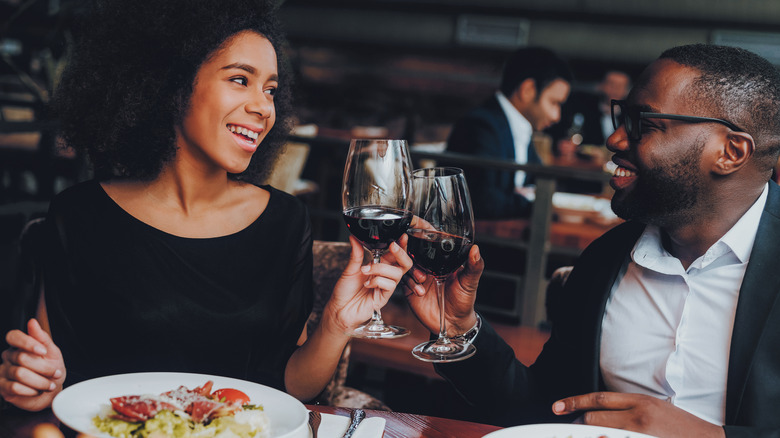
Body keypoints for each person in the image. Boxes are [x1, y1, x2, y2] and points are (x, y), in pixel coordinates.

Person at [0, 0, 413, 412]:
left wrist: (336, 325)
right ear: (170, 85)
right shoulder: (79, 215)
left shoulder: (285, 222)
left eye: (270, 89)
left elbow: (288, 388)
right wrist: (35, 381)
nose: (263, 106)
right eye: (239, 80)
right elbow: (48, 376)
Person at [405, 43, 780, 437]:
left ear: (730, 152)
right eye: (622, 117)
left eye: (643, 123)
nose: (615, 139)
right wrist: (460, 327)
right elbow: (544, 408)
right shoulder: (607, 257)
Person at [446, 47, 573, 219]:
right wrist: (527, 200)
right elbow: (483, 201)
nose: (556, 116)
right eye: (554, 103)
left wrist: (519, 196)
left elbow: (541, 182)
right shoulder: (480, 125)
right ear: (527, 90)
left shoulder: (519, 125)